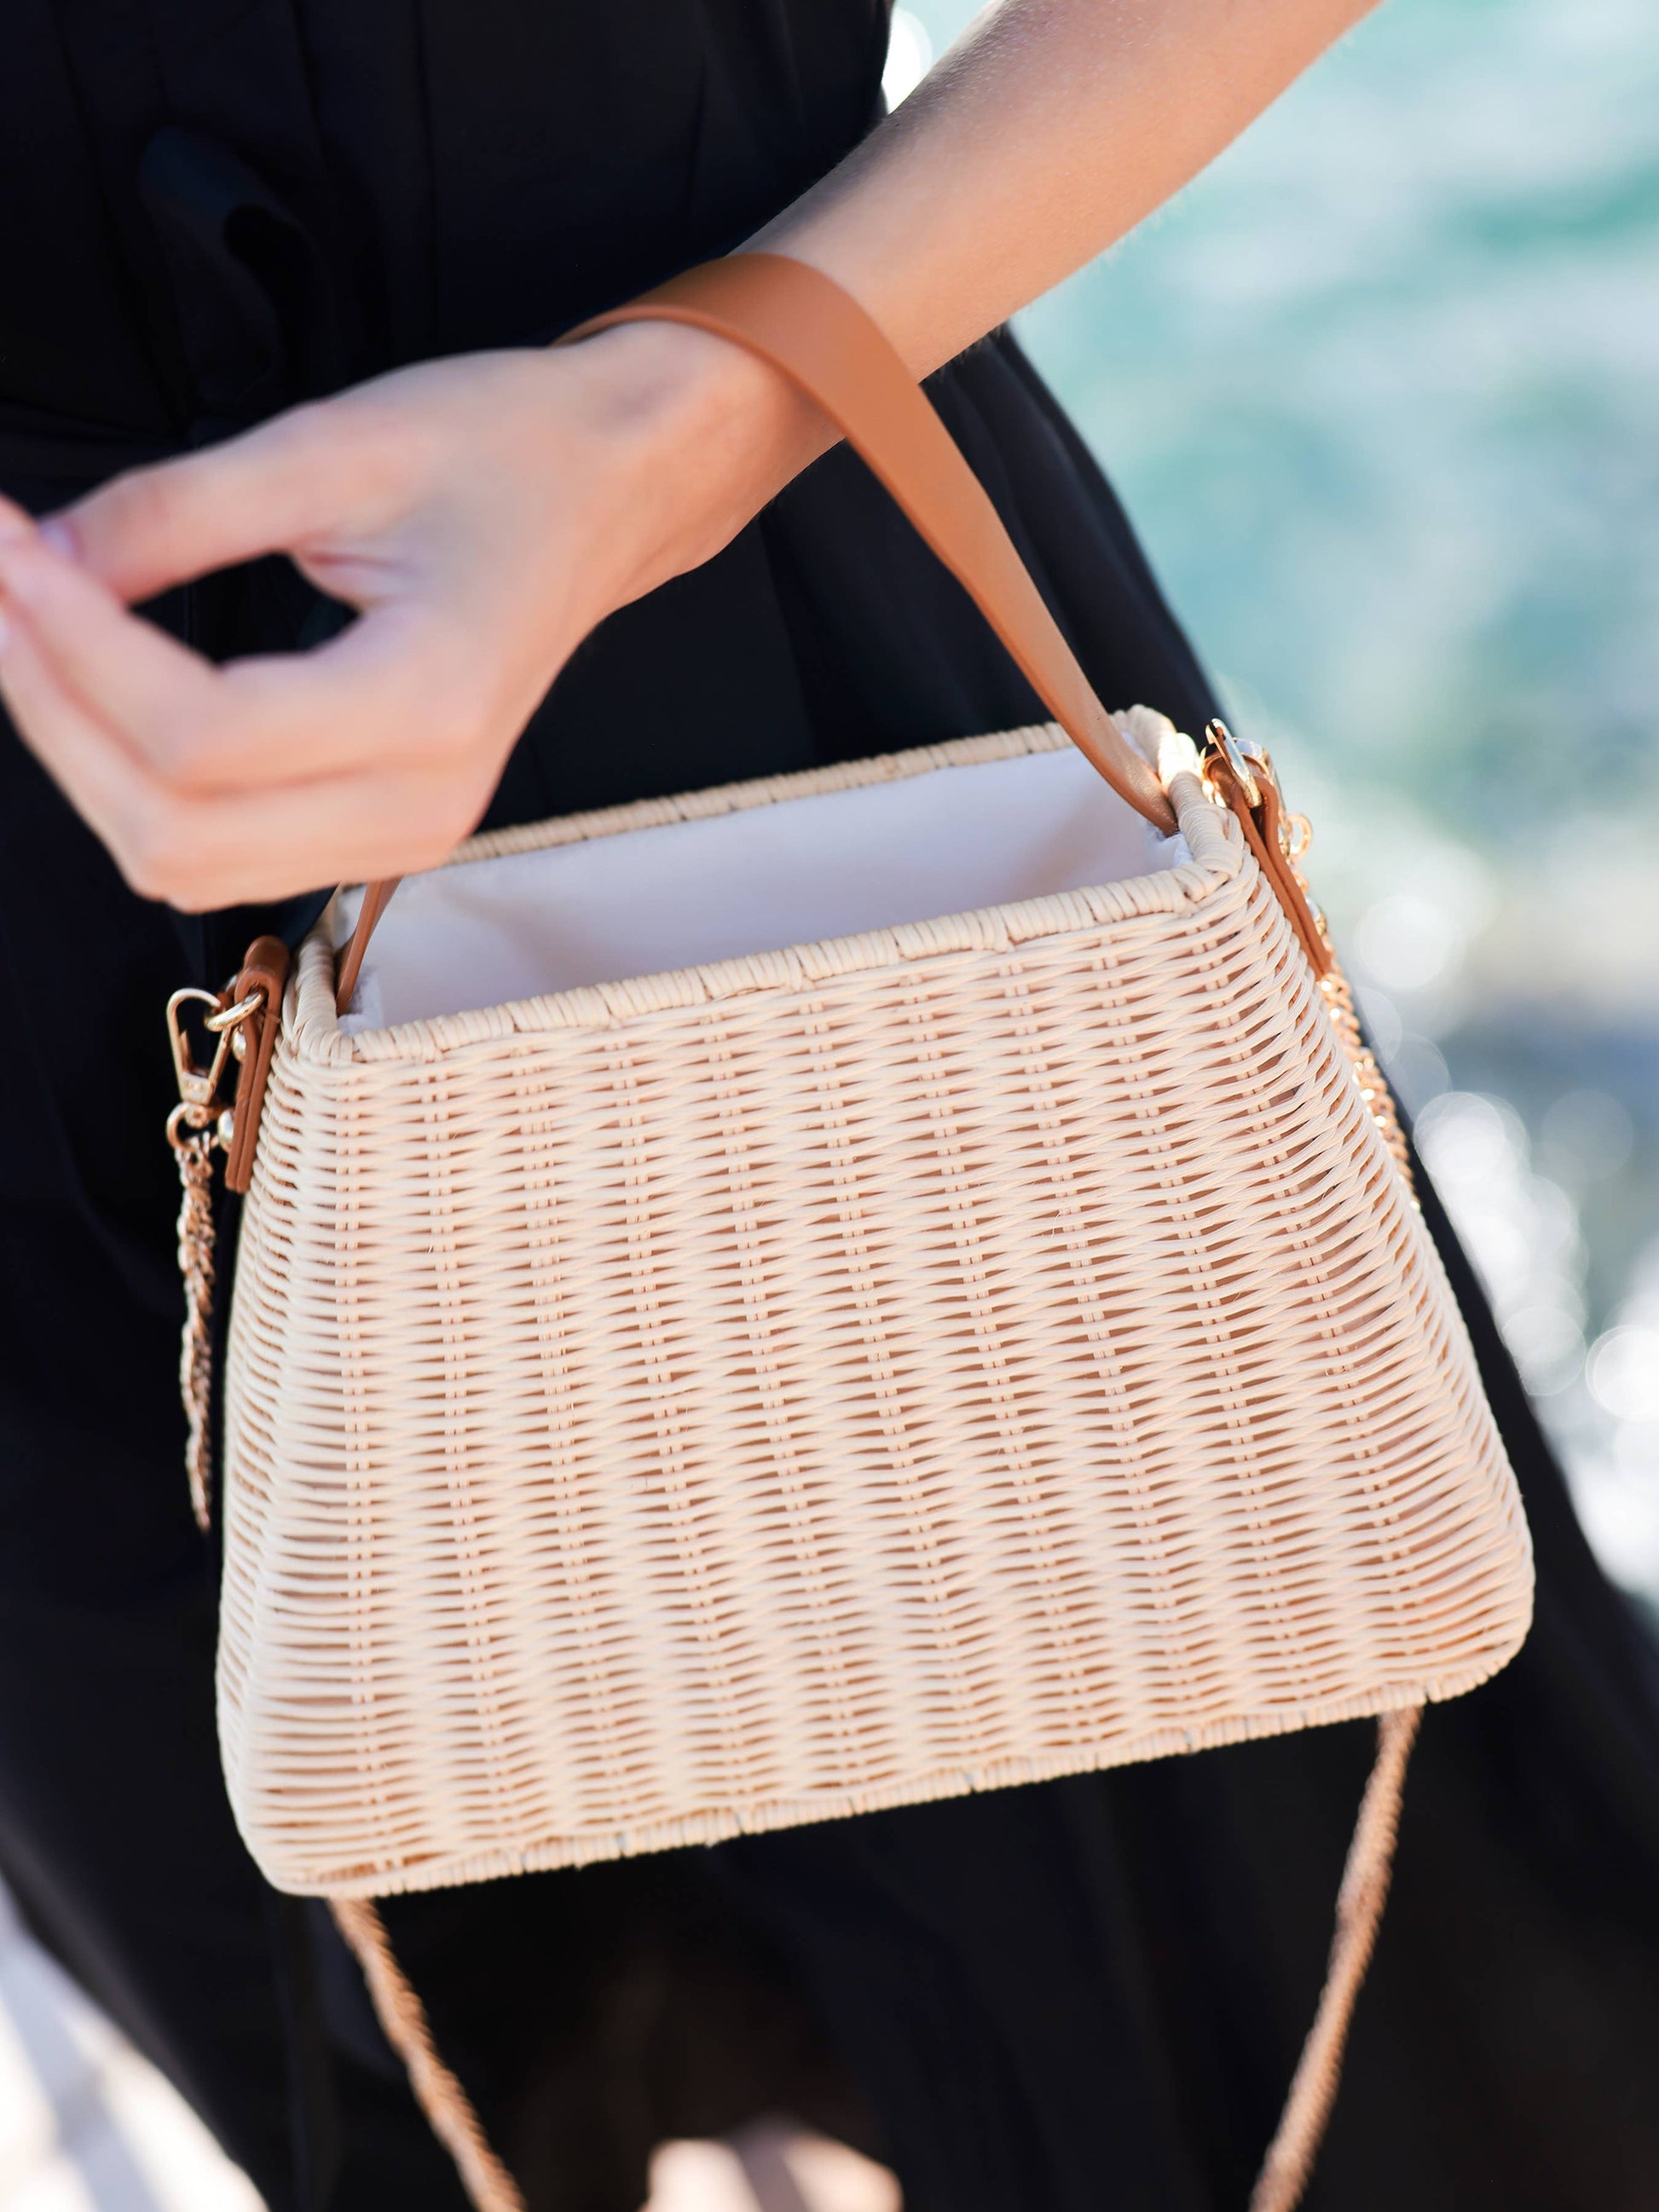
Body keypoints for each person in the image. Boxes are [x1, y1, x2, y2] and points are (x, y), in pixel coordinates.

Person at [2, 1, 1657, 2206]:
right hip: (45, 937)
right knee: (373, 2055)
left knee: (1308, 1989)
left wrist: (694, 410)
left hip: (808, 651)